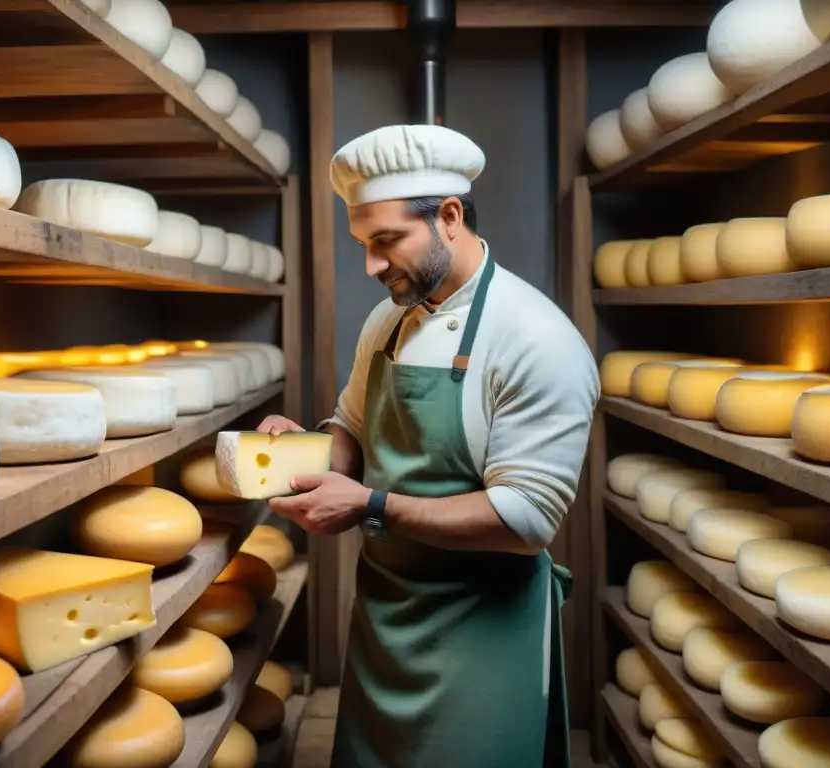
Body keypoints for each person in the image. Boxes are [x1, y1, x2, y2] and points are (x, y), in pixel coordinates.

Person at [256, 124, 600, 768]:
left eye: (387, 242)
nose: (371, 266)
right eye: (362, 243)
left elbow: (524, 520)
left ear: (449, 217)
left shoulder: (536, 339)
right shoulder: (387, 321)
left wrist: (370, 507)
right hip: (387, 618)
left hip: (482, 630)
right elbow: (351, 435)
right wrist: (299, 452)